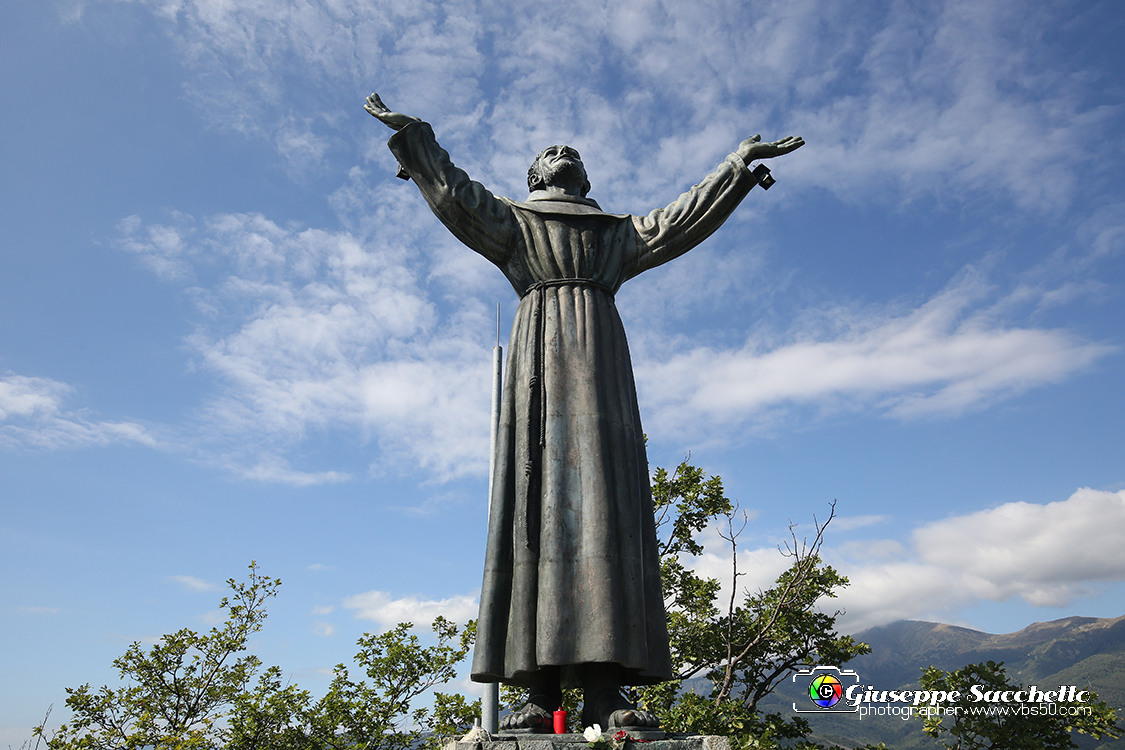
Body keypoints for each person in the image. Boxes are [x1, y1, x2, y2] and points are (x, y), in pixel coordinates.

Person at [364, 93, 803, 732]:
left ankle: (605, 692)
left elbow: (682, 219)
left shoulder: (616, 236)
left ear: (586, 180)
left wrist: (736, 166)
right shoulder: (514, 223)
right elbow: (456, 196)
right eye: (549, 154)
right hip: (537, 364)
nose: (562, 152)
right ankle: (537, 697)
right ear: (536, 179)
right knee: (534, 509)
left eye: (572, 153)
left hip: (600, 372)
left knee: (604, 511)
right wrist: (417, 139)